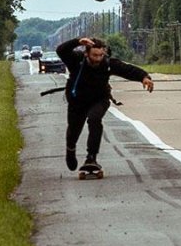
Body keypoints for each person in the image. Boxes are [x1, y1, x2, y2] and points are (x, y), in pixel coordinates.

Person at [56, 36, 154, 172]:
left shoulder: (107, 63)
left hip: (99, 99)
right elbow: (61, 50)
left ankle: (91, 157)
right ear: (86, 54)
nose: (98, 59)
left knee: (94, 119)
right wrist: (77, 41)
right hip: (77, 101)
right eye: (94, 55)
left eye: (101, 55)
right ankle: (70, 149)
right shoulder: (76, 60)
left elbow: (127, 69)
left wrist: (144, 77)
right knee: (74, 129)